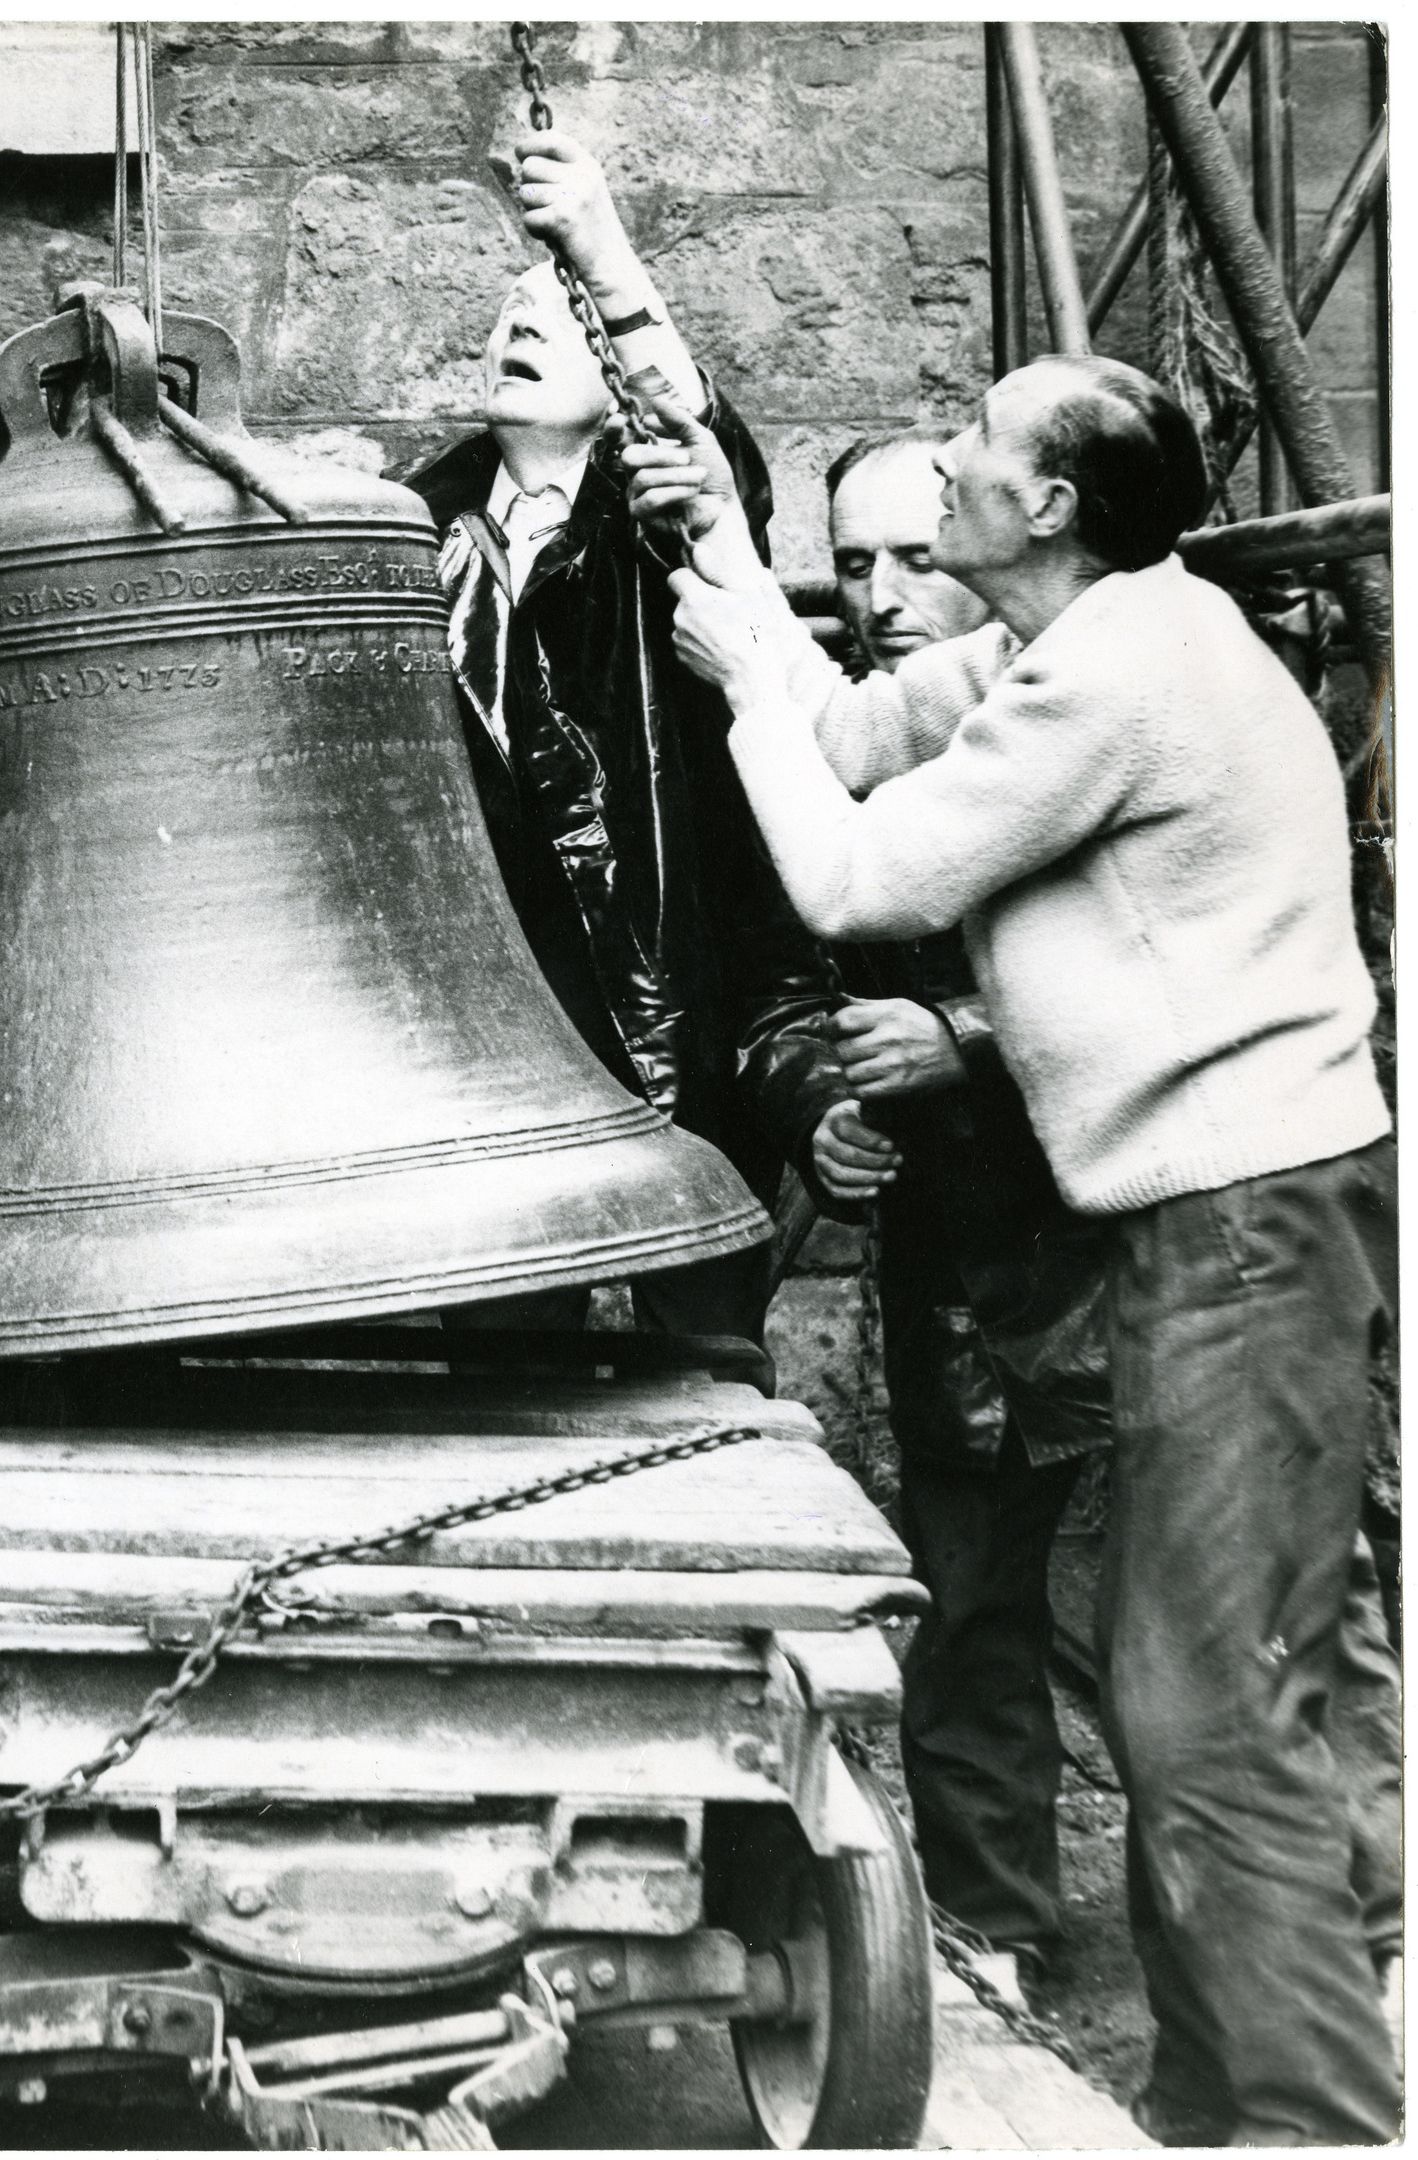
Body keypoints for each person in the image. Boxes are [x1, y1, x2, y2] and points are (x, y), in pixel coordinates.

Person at [639, 354, 1400, 2144]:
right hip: (1207, 1224)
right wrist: (736, 578)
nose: (955, 459)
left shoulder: (1131, 671)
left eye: (979, 447)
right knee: (1195, 1690)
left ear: (1047, 506)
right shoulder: (1061, 646)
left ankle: (1314, 2123)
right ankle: (1222, 2103)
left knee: (1213, 1714)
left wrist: (749, 684)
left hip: (1250, 1224)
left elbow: (857, 881)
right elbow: (838, 731)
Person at [406, 132, 848, 1348]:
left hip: (668, 992)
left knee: (701, 1350)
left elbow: (696, 429)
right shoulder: (411, 526)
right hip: (494, 1007)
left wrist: (594, 245)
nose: (523, 320)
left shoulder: (667, 511)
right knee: (499, 1357)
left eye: (556, 311)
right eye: (507, 308)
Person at [815, 429, 1112, 1996]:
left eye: (911, 557)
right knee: (973, 1606)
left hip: (1132, 1240)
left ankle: (1353, 1932)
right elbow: (792, 980)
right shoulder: (853, 746)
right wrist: (826, 1109)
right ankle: (994, 1925)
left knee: (1181, 1619)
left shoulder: (1094, 698)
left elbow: (1165, 963)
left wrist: (964, 1045)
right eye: (849, 565)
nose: (877, 595)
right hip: (961, 1261)